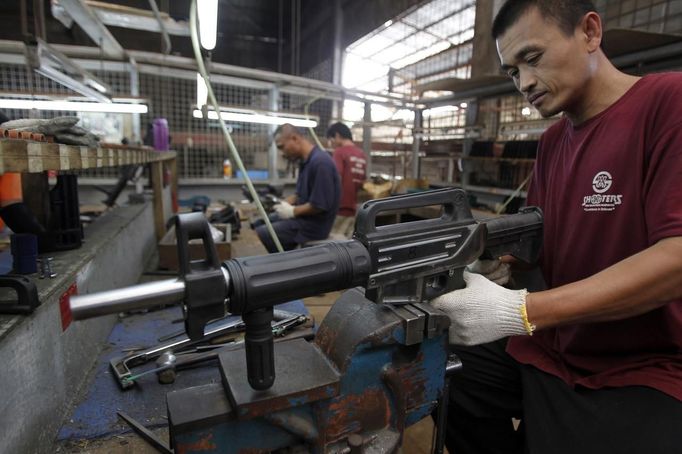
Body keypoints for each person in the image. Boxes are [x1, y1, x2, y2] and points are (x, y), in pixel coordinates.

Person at [429, 1, 682, 453]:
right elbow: (544, 249)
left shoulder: (668, 103)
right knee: (435, 372)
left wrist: (520, 311)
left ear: (589, 33)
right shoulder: (552, 143)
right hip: (554, 346)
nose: (524, 82)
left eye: (532, 58)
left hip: (647, 362)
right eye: (511, 71)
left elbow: (676, 259)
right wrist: (504, 270)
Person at [255, 124, 340, 252]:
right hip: (303, 219)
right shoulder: (305, 162)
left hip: (313, 226)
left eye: (282, 147)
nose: (282, 152)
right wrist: (283, 204)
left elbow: (319, 205)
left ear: (294, 138)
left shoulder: (321, 162)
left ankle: (283, 266)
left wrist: (292, 211)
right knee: (260, 222)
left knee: (263, 233)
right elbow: (299, 195)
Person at [326, 122, 367, 238]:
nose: (331, 144)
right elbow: (362, 182)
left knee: (334, 246)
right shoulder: (361, 154)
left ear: (337, 136)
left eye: (331, 139)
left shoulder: (340, 152)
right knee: (347, 245)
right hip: (353, 209)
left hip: (339, 209)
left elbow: (335, 179)